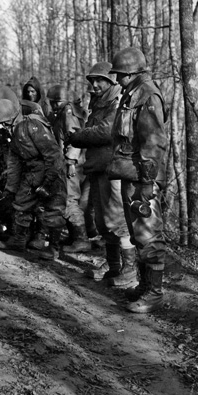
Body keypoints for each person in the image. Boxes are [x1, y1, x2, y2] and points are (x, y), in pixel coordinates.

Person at [108, 47, 169, 313]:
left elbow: (153, 143)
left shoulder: (147, 96)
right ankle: (145, 286)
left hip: (144, 178)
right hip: (130, 174)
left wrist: (146, 184)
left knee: (148, 234)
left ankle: (155, 293)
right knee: (136, 233)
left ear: (133, 73)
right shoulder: (131, 95)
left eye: (120, 75)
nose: (118, 80)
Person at [68, 62, 137, 289]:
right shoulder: (98, 103)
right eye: (92, 80)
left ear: (111, 81)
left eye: (99, 80)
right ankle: (113, 264)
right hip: (98, 167)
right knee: (102, 221)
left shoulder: (117, 102)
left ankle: (129, 271)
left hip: (113, 169)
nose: (94, 85)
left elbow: (107, 132)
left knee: (117, 220)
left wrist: (80, 136)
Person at [0, 99, 67, 260]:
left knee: (54, 208)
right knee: (20, 203)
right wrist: (9, 190)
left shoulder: (33, 126)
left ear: (14, 117)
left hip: (52, 170)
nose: (3, 127)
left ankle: (53, 248)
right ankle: (19, 240)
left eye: (5, 123)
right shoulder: (13, 134)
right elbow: (14, 165)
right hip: (32, 172)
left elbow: (54, 155)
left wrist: (48, 182)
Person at [46, 84, 90, 253]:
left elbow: (74, 138)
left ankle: (81, 239)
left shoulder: (67, 113)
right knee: (67, 198)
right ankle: (74, 237)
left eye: (54, 102)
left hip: (72, 164)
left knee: (69, 200)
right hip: (68, 162)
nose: (53, 105)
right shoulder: (63, 113)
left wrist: (71, 161)